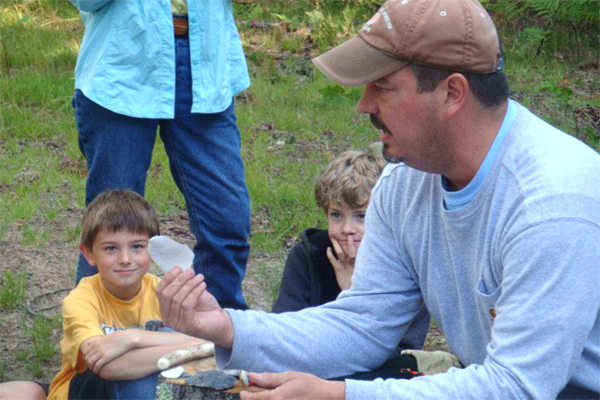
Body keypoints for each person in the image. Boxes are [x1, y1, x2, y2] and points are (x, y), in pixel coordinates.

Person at [156, 0, 600, 399]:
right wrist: (228, 326)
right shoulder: (408, 180)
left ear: (452, 93)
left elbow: (518, 386)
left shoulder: (550, 203)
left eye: (382, 87)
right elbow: (364, 323)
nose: (363, 104)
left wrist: (342, 396)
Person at [68, 0, 250, 309]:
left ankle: (217, 338)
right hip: (122, 65)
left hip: (206, 66)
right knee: (110, 227)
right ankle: (97, 338)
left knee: (227, 221)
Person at [48, 190, 203, 400]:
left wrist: (132, 338)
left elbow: (203, 335)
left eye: (137, 246)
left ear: (153, 249)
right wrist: (194, 347)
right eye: (111, 248)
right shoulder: (80, 300)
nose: (125, 259)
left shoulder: (164, 292)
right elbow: (107, 367)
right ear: (89, 254)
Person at [272, 149, 387, 312]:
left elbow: (403, 337)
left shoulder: (399, 264)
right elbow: (284, 326)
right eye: (336, 215)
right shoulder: (309, 256)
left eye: (361, 216)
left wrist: (352, 292)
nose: (347, 229)